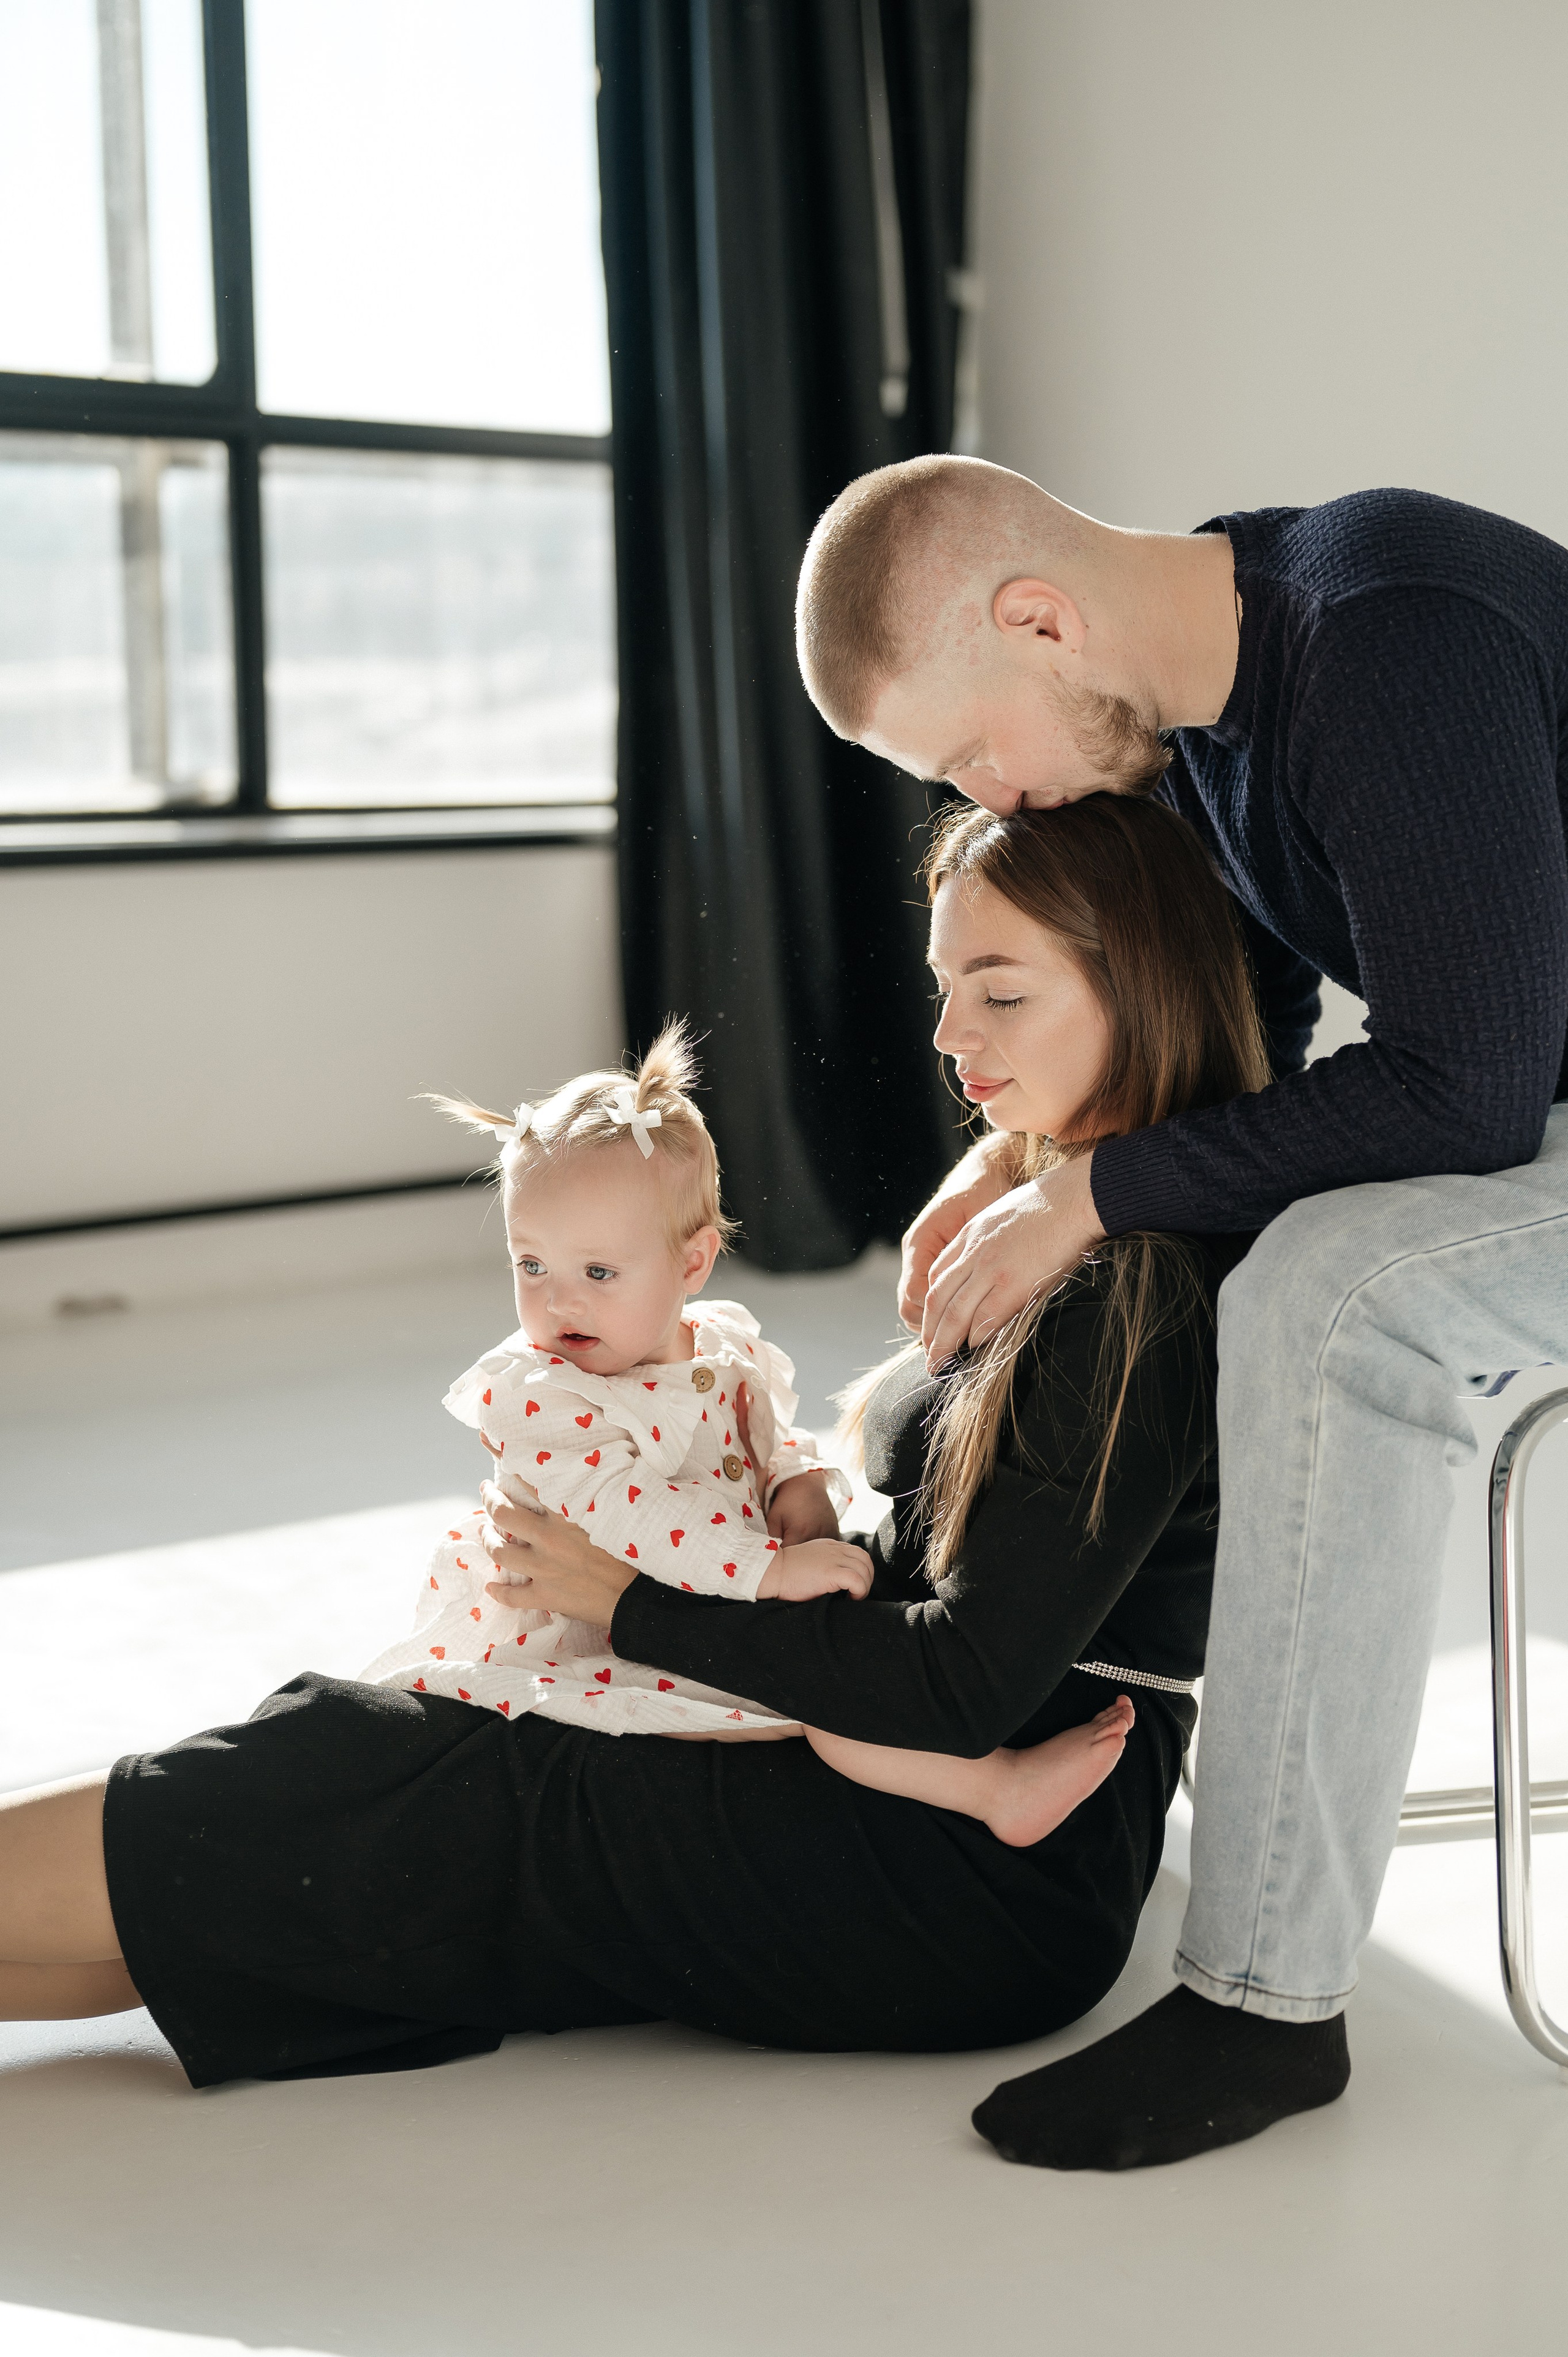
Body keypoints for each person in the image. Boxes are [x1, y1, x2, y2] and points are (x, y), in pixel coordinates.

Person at [0, 795, 1259, 2092]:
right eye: (944, 986)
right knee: (381, 1770)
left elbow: (957, 1687)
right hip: (900, 1762)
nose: (946, 1035)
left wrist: (625, 1601)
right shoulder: (1066, 1212)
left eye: (999, 995)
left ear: (1137, 988)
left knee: (422, 1783)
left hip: (965, 1880)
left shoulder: (1131, 1299)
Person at [794, 454, 1568, 2168]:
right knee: (1251, 1241)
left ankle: (1263, 2008)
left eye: (968, 751)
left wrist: (1090, 1196)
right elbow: (1255, 1021)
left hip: (1536, 1101)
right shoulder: (1209, 702)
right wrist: (1026, 1160)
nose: (994, 795)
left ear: (1039, 618)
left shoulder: (1387, 638)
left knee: (1333, 1298)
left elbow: (1472, 1091)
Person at [360, 1022, 1136, 1844]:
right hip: (593, 1631)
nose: (559, 1303)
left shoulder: (723, 1344)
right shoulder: (541, 1395)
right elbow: (631, 1518)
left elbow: (766, 1435)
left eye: (597, 1272)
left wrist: (794, 1484)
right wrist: (768, 1568)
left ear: (692, 1264)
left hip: (708, 1597)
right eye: (531, 1266)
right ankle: (996, 1793)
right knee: (829, 1710)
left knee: (842, 1679)